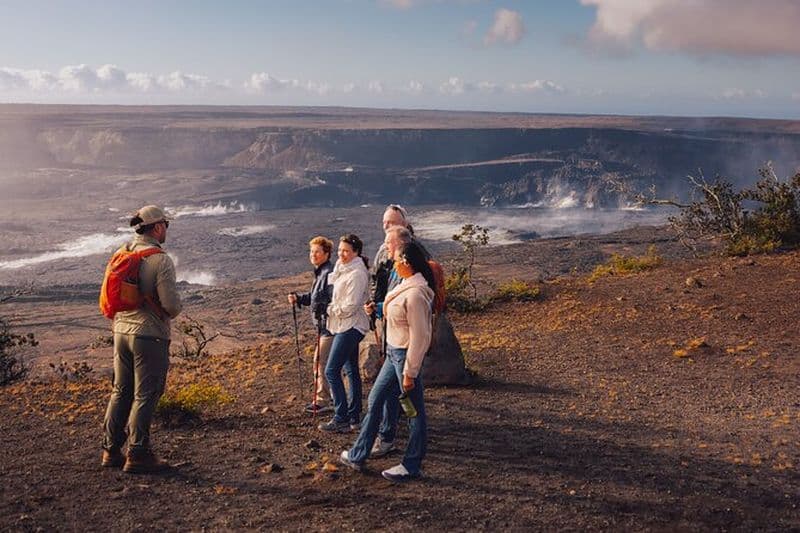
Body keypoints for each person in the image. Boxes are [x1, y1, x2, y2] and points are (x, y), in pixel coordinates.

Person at [340, 241, 434, 481]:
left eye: (398, 260)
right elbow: (397, 312)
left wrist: (410, 372)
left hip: (404, 358)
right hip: (394, 354)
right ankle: (358, 453)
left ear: (408, 263)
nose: (395, 264)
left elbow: (421, 336)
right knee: (375, 398)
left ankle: (411, 465)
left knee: (413, 411)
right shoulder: (407, 286)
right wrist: (380, 308)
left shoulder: (415, 295)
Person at [101, 205, 182, 474]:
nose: (166, 230)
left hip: (121, 331)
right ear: (157, 227)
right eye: (166, 225)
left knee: (121, 390)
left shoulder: (122, 253)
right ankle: (138, 453)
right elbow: (171, 305)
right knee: (146, 393)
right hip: (149, 335)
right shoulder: (160, 259)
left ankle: (110, 450)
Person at [318, 234, 370, 432]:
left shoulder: (356, 273)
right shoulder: (343, 268)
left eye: (346, 251)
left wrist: (331, 309)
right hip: (344, 325)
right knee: (351, 370)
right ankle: (354, 416)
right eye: (340, 250)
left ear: (356, 252)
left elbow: (351, 305)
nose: (342, 254)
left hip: (351, 325)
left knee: (331, 370)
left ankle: (341, 418)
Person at [288, 236, 335, 413]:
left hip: (328, 327)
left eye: (317, 252)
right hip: (324, 327)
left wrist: (324, 313)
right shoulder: (321, 272)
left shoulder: (328, 273)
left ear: (326, 253)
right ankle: (328, 398)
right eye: (311, 251)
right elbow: (315, 298)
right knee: (323, 362)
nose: (313, 255)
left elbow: (331, 298)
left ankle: (324, 400)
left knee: (320, 361)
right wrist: (299, 298)